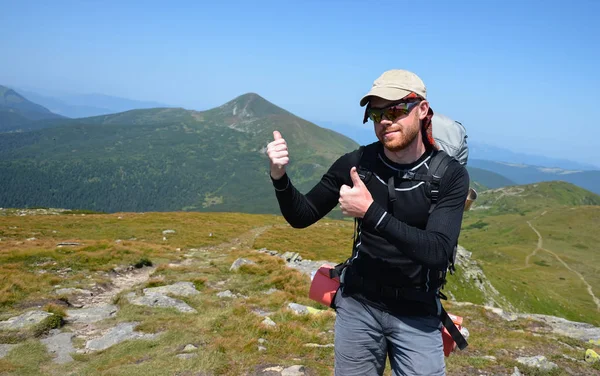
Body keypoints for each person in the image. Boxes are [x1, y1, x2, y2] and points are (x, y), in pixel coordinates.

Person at [266, 69, 470, 376]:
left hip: (418, 312)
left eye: (396, 109)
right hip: (358, 305)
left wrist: (370, 212)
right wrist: (279, 176)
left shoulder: (449, 175)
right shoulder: (358, 163)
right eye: (376, 113)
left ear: (423, 109)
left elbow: (438, 252)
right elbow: (302, 215)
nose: (385, 120)